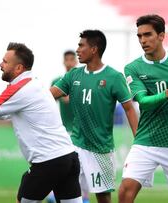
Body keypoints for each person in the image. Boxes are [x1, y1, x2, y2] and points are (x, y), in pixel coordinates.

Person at [0, 42, 82, 203]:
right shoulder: (33, 83)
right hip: (69, 157)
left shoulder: (20, 88)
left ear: (18, 68)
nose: (0, 65)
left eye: (5, 61)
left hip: (48, 162)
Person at [50, 30, 138, 203]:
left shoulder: (114, 77)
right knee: (66, 190)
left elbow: (129, 108)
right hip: (75, 144)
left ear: (94, 49)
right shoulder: (73, 75)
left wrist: (138, 139)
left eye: (81, 45)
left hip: (101, 149)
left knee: (103, 197)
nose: (77, 50)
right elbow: (48, 96)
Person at [118, 14, 168, 203]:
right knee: (125, 190)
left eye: (148, 35)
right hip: (146, 140)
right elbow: (143, 100)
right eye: (139, 36)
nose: (143, 40)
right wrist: (167, 93)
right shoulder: (133, 68)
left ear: (161, 36)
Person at [48, 52, 90, 203]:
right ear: (63, 62)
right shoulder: (57, 81)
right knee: (62, 163)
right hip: (64, 130)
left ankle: (83, 196)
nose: (70, 62)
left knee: (82, 166)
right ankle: (56, 192)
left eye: (73, 59)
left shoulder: (83, 80)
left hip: (82, 130)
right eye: (67, 60)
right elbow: (55, 101)